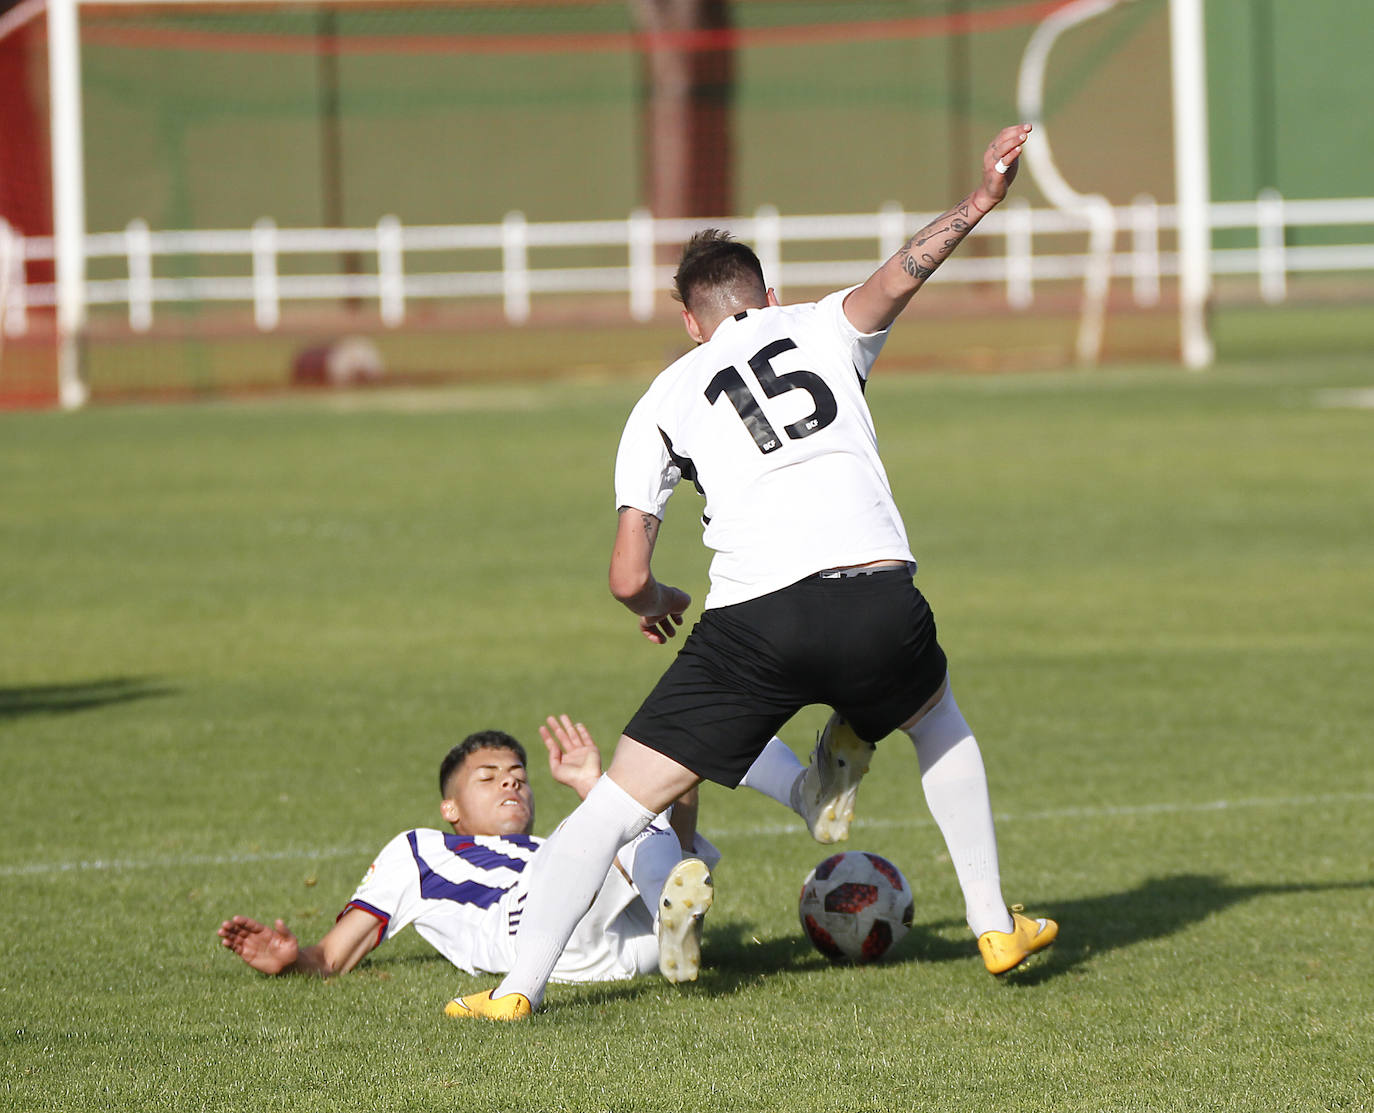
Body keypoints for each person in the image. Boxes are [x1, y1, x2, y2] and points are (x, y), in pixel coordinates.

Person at [452, 123, 1058, 1022]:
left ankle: (514, 992)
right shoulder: (819, 322)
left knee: (612, 808)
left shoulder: (661, 397)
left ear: (690, 321)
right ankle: (990, 923)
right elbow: (904, 269)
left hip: (753, 624)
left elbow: (628, 575)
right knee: (938, 724)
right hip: (874, 594)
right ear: (765, 294)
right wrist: (980, 202)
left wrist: (659, 602)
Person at [217, 715, 817, 996]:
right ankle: (678, 899)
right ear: (449, 807)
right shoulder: (419, 850)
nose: (510, 784)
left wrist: (600, 784)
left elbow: (646, 830)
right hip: (532, 934)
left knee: (680, 764)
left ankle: (675, 919)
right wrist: (296, 962)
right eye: (488, 778)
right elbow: (332, 957)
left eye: (518, 776)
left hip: (628, 951)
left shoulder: (553, 843)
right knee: (611, 815)